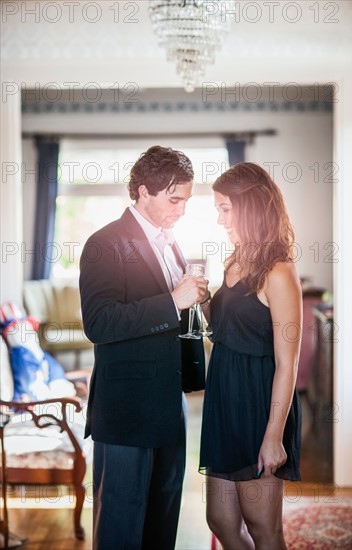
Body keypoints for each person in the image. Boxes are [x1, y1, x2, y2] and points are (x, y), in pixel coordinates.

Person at [79, 145, 208, 550]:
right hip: (126, 411)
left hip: (171, 407)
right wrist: (173, 301)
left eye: (186, 200)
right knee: (121, 524)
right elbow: (99, 324)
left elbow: (173, 315)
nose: (181, 210)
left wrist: (195, 304)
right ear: (142, 192)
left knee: (162, 521)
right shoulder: (104, 243)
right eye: (174, 200)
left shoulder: (171, 242)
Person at [199, 162, 302, 550]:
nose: (220, 218)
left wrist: (273, 435)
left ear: (251, 207)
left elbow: (287, 363)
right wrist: (204, 299)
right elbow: (227, 328)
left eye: (225, 208)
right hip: (223, 397)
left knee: (263, 525)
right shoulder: (233, 260)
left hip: (259, 404)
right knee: (221, 519)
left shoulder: (279, 272)